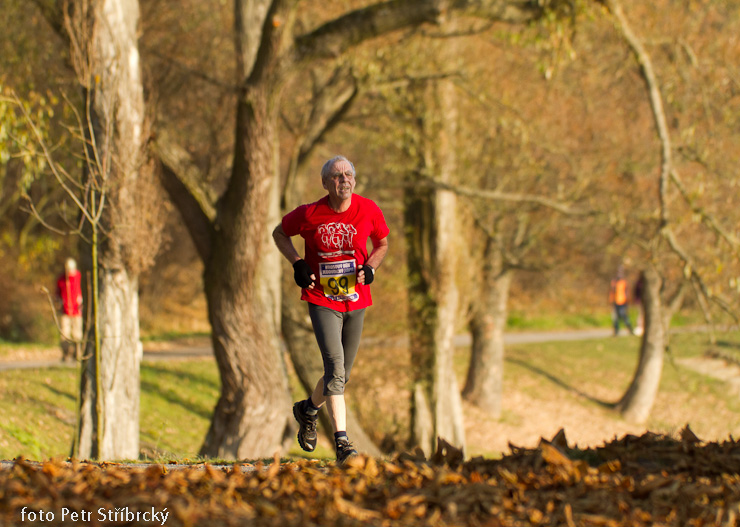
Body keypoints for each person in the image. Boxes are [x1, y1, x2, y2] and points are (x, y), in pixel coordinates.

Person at [273, 155, 389, 464]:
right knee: (335, 370)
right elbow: (279, 233)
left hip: (357, 300)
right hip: (323, 300)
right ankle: (342, 443)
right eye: (337, 176)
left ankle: (308, 410)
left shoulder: (369, 209)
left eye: (348, 174)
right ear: (326, 183)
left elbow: (382, 244)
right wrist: (297, 263)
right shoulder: (310, 213)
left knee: (342, 375)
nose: (344, 180)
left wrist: (372, 268)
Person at [56, 257, 83, 361]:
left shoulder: (79, 277)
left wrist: (81, 300)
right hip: (65, 311)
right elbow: (57, 294)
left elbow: (82, 291)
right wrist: (59, 303)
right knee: (64, 334)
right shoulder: (62, 280)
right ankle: (66, 354)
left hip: (77, 311)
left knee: (77, 334)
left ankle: (78, 354)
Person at [608, 266, 634, 336]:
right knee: (615, 317)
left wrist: (627, 301)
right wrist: (611, 300)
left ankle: (630, 329)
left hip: (623, 302)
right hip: (615, 302)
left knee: (624, 316)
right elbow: (611, 292)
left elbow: (627, 292)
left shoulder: (624, 282)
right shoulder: (614, 282)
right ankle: (616, 331)